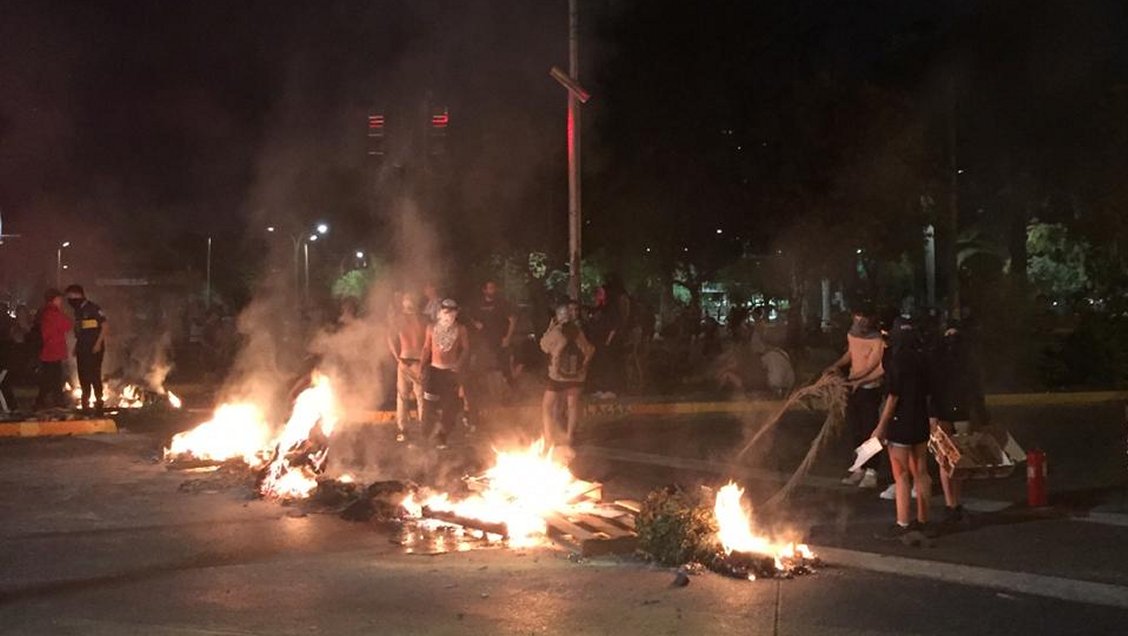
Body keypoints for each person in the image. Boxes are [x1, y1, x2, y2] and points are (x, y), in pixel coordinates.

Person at [871, 316, 934, 539]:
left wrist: (880, 427)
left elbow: (892, 398)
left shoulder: (897, 360)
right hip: (920, 421)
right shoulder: (922, 358)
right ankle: (924, 520)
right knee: (922, 472)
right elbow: (928, 393)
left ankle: (903, 523)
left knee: (901, 475)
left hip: (900, 424)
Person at [930, 320, 987, 526]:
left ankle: (950, 503)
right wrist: (982, 417)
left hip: (944, 414)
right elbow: (976, 391)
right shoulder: (967, 358)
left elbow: (933, 389)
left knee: (946, 459)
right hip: (961, 413)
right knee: (957, 460)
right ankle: (955, 503)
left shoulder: (938, 357)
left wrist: (933, 415)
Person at [826, 306, 885, 489]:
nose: (862, 320)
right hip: (853, 387)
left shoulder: (877, 340)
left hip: (869, 388)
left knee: (870, 430)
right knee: (856, 429)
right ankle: (859, 467)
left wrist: (856, 379)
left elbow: (873, 365)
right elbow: (851, 354)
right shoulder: (852, 334)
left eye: (866, 316)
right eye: (859, 315)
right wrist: (836, 366)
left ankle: (872, 471)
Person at [540, 303, 595, 445]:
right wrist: (582, 367)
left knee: (547, 406)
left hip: (557, 376)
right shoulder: (578, 332)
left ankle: (548, 437)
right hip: (577, 376)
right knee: (572, 406)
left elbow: (543, 346)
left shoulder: (556, 332)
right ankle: (569, 436)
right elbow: (589, 350)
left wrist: (550, 328)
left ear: (557, 317)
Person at [420, 299, 470, 448]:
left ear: (456, 313)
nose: (448, 314)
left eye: (452, 311)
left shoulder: (461, 329)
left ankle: (442, 436)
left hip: (450, 372)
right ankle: (427, 436)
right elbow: (426, 348)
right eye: (445, 311)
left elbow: (466, 349)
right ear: (440, 312)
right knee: (429, 405)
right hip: (434, 371)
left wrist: (459, 364)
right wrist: (421, 367)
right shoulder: (430, 328)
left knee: (450, 407)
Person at [388, 293, 428, 442]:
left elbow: (390, 339)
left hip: (409, 361)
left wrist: (397, 357)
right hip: (412, 361)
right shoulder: (420, 319)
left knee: (407, 397)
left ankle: (406, 429)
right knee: (416, 397)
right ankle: (415, 428)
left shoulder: (405, 320)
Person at [65, 284, 108, 413]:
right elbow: (80, 331)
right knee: (83, 375)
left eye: (71, 297)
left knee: (94, 375)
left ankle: (99, 402)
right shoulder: (77, 311)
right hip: (82, 348)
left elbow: (105, 327)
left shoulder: (93, 308)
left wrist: (98, 344)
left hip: (94, 348)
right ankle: (85, 402)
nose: (70, 300)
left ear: (79, 295)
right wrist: (76, 347)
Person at [468, 280, 517, 382]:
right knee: (484, 368)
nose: (493, 290)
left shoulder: (502, 303)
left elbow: (513, 320)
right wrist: (475, 323)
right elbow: (471, 317)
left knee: (504, 368)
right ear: (484, 290)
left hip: (500, 340)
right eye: (490, 288)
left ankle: (510, 392)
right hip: (484, 341)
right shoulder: (478, 303)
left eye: (494, 288)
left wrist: (508, 337)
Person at [33, 289, 73, 411]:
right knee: (55, 378)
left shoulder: (44, 312)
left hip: (47, 350)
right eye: (60, 299)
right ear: (55, 299)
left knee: (49, 377)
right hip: (53, 350)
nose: (61, 301)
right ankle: (57, 402)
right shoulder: (53, 312)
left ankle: (42, 402)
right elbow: (67, 325)